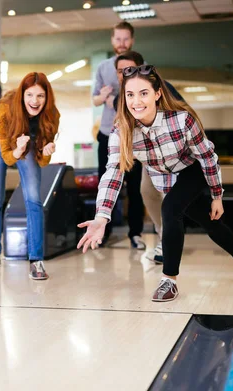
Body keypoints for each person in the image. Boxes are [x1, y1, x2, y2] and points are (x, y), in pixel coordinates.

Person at [77, 65, 233, 302]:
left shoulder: (182, 120)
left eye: (143, 93)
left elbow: (207, 157)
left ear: (157, 93)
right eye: (130, 94)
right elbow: (113, 172)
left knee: (169, 210)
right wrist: (102, 216)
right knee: (210, 223)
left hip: (192, 171)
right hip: (166, 181)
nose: (136, 101)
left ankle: (169, 280)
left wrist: (217, 195)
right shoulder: (122, 131)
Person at [0, 72, 60, 280]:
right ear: (22, 95)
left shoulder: (52, 115)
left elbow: (42, 161)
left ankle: (36, 260)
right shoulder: (5, 108)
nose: (35, 101)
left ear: (47, 97)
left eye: (40, 96)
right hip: (0, 142)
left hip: (29, 140)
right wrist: (18, 149)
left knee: (34, 199)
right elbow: (8, 157)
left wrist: (47, 150)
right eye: (30, 95)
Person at [113, 51, 185, 264]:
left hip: (174, 153)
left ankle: (168, 238)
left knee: (168, 197)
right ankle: (163, 231)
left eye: (129, 69)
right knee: (146, 191)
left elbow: (183, 113)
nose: (124, 74)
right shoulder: (121, 97)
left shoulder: (163, 87)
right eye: (120, 71)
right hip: (149, 155)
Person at [93, 21, 146, 250]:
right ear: (112, 40)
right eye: (118, 39)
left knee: (135, 188)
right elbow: (94, 99)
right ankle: (102, 231)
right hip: (108, 133)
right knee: (105, 184)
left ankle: (136, 233)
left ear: (131, 40)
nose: (121, 43)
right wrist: (103, 96)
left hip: (135, 136)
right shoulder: (103, 68)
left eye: (126, 39)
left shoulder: (143, 67)